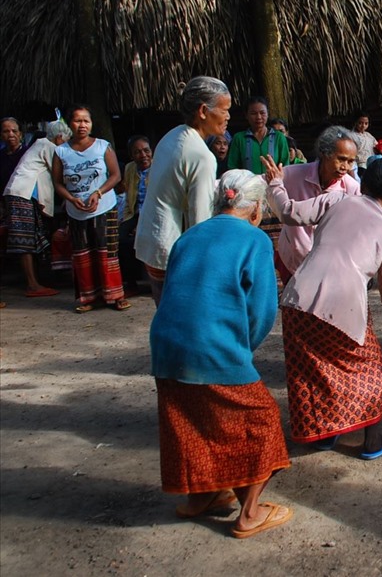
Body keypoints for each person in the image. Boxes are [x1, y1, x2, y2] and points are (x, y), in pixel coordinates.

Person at [150, 169, 291, 539]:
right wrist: (242, 350)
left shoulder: (189, 235)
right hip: (212, 345)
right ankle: (249, 512)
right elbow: (261, 311)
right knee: (261, 421)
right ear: (257, 209)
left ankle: (201, 498)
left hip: (166, 344)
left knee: (191, 419)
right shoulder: (256, 240)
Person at [265, 156, 382, 457]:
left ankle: (319, 434)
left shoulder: (336, 199)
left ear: (362, 183)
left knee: (309, 370)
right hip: (341, 307)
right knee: (368, 367)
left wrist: (276, 183)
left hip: (296, 299)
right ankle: (366, 440)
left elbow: (289, 212)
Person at [136, 76, 229, 304]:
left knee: (166, 317)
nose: (228, 117)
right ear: (203, 111)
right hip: (170, 249)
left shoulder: (172, 136)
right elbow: (201, 220)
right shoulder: (202, 156)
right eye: (224, 110)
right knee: (181, 322)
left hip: (152, 238)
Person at [51, 105, 129, 313]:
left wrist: (98, 193)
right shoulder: (61, 151)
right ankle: (88, 297)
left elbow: (115, 175)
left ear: (92, 123)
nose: (82, 125)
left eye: (86, 120)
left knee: (108, 251)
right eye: (77, 120)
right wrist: (70, 198)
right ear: (70, 124)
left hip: (104, 206)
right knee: (82, 253)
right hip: (76, 210)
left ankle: (116, 295)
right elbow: (57, 182)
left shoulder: (103, 146)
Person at [271, 126, 361, 284]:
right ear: (324, 154)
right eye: (340, 158)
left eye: (350, 161)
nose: (345, 167)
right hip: (292, 257)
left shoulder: (351, 188)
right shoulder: (293, 174)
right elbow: (260, 183)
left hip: (328, 266)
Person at [3, 119, 70, 296]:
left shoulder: (40, 145)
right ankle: (32, 284)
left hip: (22, 194)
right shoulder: (48, 146)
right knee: (24, 239)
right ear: (60, 137)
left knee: (30, 237)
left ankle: (36, 281)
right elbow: (60, 173)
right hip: (21, 194)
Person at [116, 136, 153, 294]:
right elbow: (129, 197)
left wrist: (141, 224)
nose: (143, 155)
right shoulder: (130, 168)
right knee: (122, 239)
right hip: (134, 213)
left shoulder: (158, 167)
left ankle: (155, 282)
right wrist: (124, 220)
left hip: (153, 213)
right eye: (137, 152)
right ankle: (131, 283)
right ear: (132, 156)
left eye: (146, 150)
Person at [227, 97, 290, 175]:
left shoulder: (279, 137)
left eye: (262, 113)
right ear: (246, 115)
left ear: (268, 114)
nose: (259, 117)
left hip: (274, 185)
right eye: (253, 113)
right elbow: (233, 168)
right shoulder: (239, 138)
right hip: (247, 186)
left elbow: (285, 166)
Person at [351, 112, 377, 177]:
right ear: (355, 122)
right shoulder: (351, 136)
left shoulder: (369, 136)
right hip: (359, 163)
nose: (363, 126)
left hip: (371, 163)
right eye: (360, 123)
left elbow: (376, 147)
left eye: (366, 123)